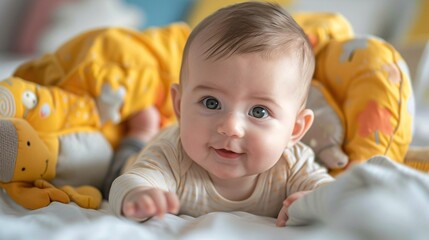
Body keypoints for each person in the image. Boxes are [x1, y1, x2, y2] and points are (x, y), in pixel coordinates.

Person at [108, 1, 334, 227]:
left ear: (295, 129)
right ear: (179, 106)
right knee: (121, 164)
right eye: (211, 102)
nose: (230, 127)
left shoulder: (292, 166)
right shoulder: (171, 155)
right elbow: (124, 183)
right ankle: (141, 131)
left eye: (259, 111)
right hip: (135, 159)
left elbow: (333, 194)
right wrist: (137, 195)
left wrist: (313, 203)